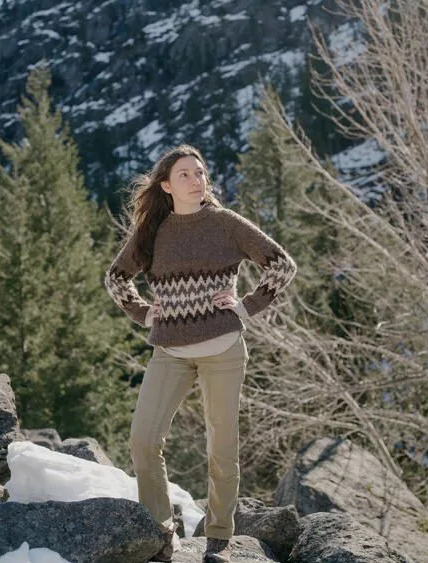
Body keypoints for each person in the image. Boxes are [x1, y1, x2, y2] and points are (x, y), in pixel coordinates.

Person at [104, 145, 296, 563]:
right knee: (143, 440)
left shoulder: (226, 224)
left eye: (200, 172)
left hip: (224, 350)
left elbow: (281, 265)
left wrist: (245, 306)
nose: (196, 180)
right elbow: (117, 278)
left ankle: (219, 538)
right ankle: (159, 531)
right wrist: (142, 312)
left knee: (221, 448)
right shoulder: (151, 231)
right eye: (185, 174)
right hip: (169, 352)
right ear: (167, 185)